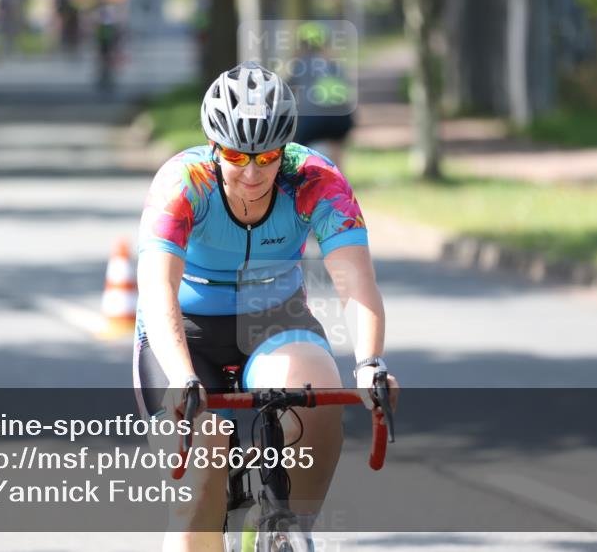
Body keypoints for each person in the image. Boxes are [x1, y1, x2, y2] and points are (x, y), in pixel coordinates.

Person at [133, 61, 399, 551]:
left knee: (318, 393)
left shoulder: (316, 178)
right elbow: (156, 289)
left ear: (286, 149)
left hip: (275, 320)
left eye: (267, 155)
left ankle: (286, 533)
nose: (252, 172)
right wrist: (181, 377)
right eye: (237, 155)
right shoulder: (183, 181)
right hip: (185, 332)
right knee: (201, 481)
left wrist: (370, 362)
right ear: (215, 146)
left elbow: (355, 281)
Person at [290, 22, 355, 170]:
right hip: (340, 119)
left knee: (296, 147)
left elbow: (288, 90)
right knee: (336, 146)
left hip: (312, 120)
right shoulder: (334, 64)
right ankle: (339, 179)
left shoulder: (299, 65)